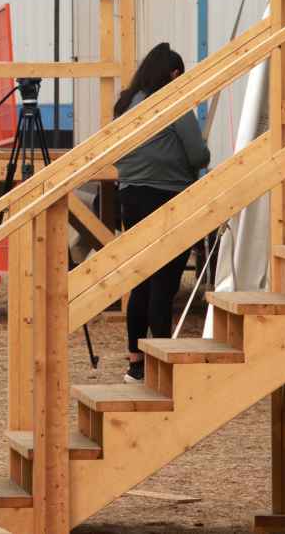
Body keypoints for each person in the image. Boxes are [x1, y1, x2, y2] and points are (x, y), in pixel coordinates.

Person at [113, 42, 211, 383]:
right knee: (165, 281)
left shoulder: (125, 104)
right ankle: (161, 360)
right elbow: (199, 155)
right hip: (168, 198)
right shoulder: (173, 103)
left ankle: (136, 362)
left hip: (130, 197)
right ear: (173, 75)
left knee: (139, 278)